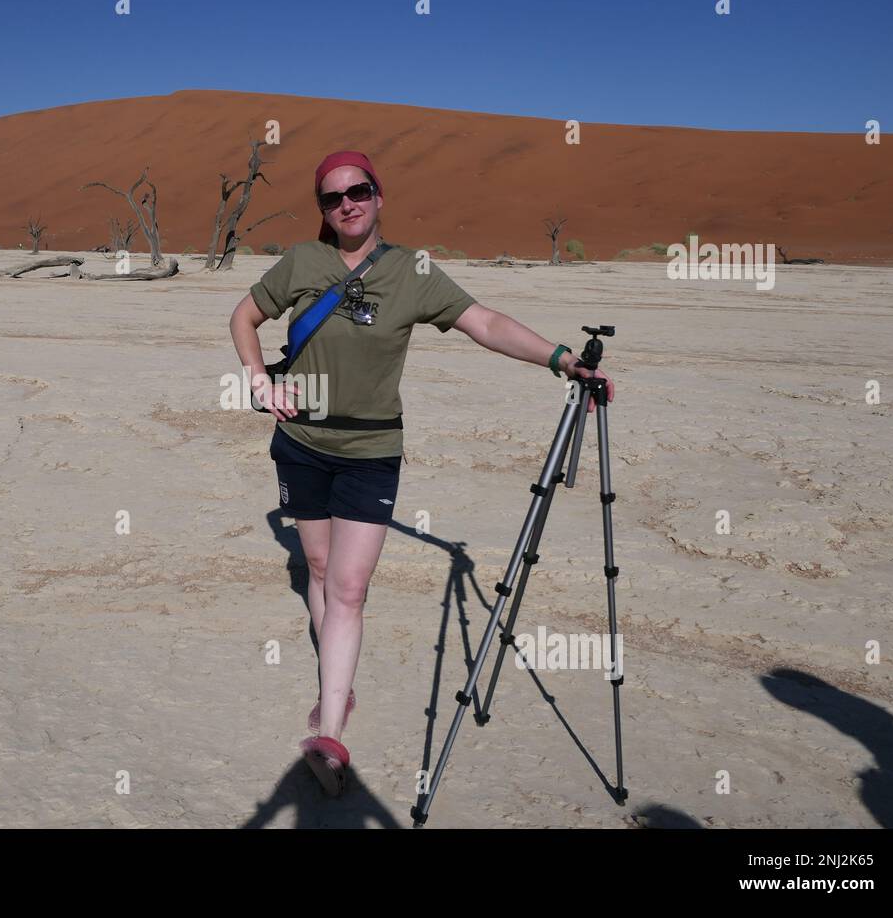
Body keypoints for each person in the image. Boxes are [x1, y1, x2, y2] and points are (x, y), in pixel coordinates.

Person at [228, 150, 615, 796]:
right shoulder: (302, 261)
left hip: (372, 451)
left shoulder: (414, 271)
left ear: (379, 196)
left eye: (358, 191)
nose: (346, 203)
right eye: (332, 197)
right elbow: (243, 316)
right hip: (300, 444)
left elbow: (484, 323)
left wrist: (560, 358)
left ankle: (329, 733)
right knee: (319, 573)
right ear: (322, 209)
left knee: (348, 588)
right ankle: (338, 692)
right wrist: (259, 378)